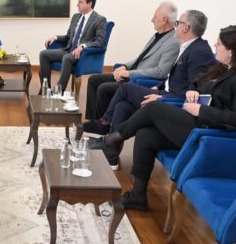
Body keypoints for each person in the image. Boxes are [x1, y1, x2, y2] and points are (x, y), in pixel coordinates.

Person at [102, 25, 236, 210]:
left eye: (219, 44)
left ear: (232, 50)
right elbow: (198, 84)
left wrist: (201, 111)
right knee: (145, 135)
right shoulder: (224, 68)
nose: (215, 46)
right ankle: (137, 196)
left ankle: (111, 140)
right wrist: (193, 91)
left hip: (212, 136)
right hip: (199, 125)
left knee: (154, 108)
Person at [86, 10, 216, 168]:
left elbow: (193, 93)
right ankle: (111, 152)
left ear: (186, 27)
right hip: (164, 92)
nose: (175, 26)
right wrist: (158, 87)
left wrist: (163, 98)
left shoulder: (199, 52)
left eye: (178, 23)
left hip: (172, 102)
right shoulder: (189, 47)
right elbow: (177, 79)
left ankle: (104, 125)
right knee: (122, 106)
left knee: (125, 89)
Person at [84, 2, 180, 123]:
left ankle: (103, 124)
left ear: (164, 20)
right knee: (93, 80)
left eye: (155, 17)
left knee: (104, 88)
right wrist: (124, 66)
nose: (152, 20)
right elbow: (140, 58)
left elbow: (161, 72)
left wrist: (129, 73)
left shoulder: (173, 42)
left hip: (140, 80)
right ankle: (93, 120)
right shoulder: (157, 35)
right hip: (131, 74)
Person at [38, 0, 107, 92]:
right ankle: (45, 89)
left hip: (82, 54)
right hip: (68, 50)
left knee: (67, 57)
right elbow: (68, 37)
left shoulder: (99, 19)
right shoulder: (76, 17)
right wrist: (55, 37)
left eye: (80, 2)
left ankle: (59, 91)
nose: (77, 4)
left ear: (89, 4)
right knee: (43, 54)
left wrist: (83, 46)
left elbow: (100, 41)